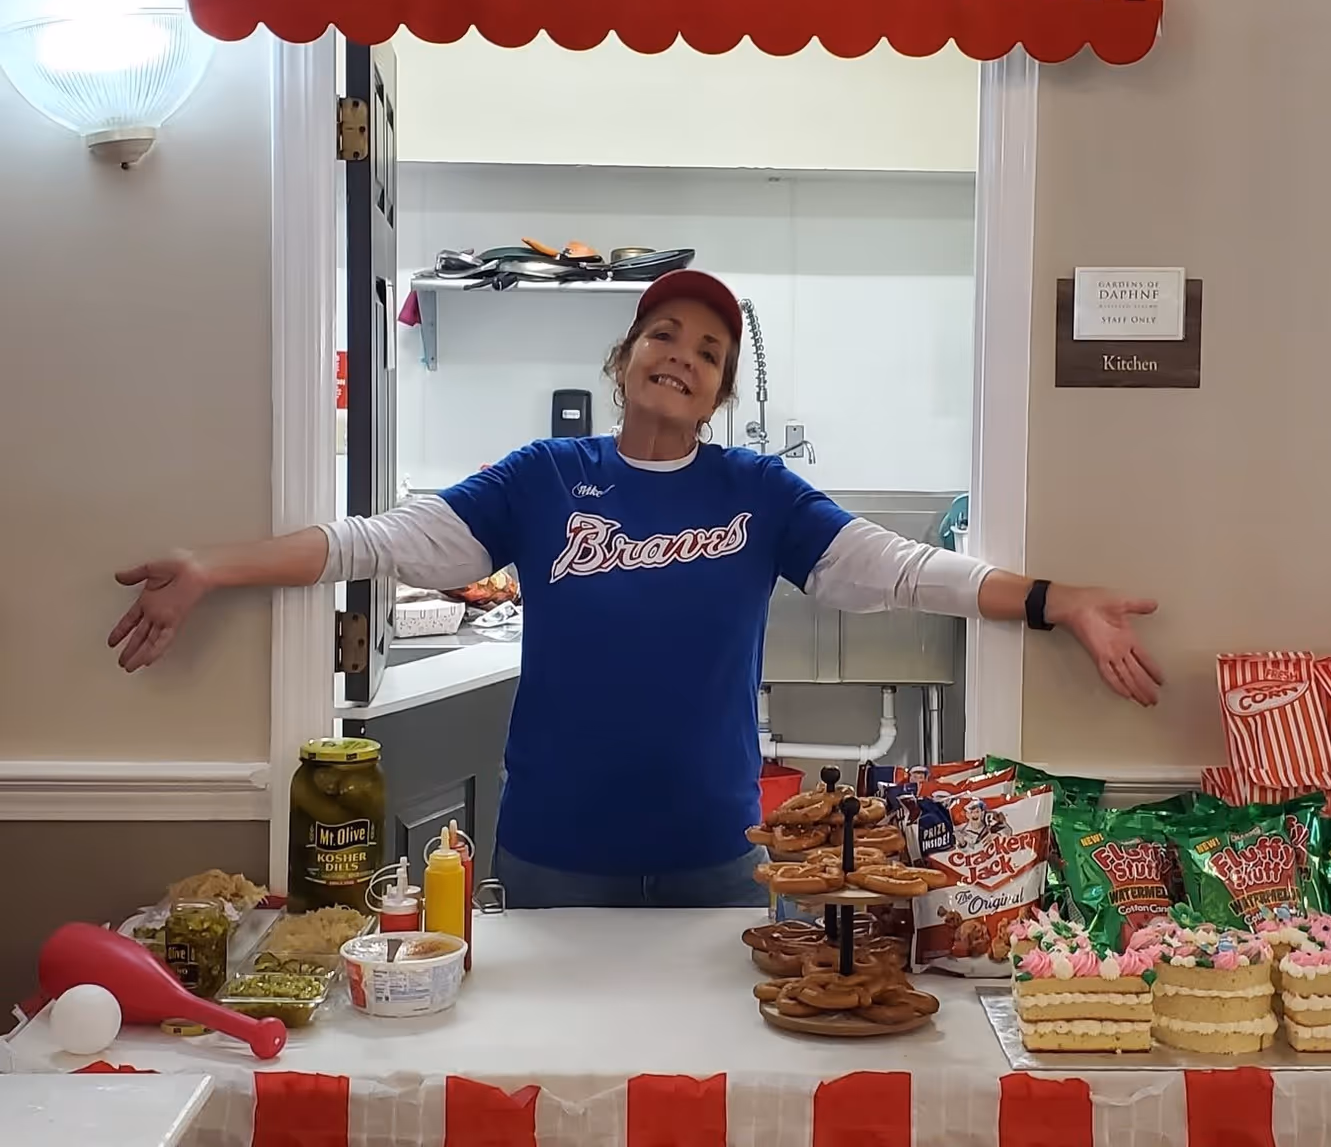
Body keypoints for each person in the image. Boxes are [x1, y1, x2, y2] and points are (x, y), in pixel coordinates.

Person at [109, 270, 1163, 909]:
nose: (683, 356)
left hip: (713, 844)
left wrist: (1053, 597)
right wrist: (213, 566)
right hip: (556, 846)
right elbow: (374, 541)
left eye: (710, 350)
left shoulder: (757, 492)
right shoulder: (541, 478)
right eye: (666, 335)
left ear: (720, 388)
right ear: (624, 356)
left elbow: (901, 568)